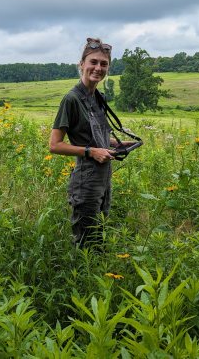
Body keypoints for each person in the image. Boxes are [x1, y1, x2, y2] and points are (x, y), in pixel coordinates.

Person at [49, 37, 134, 248]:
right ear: (82, 64)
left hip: (104, 177)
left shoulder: (98, 97)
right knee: (87, 241)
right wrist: (91, 152)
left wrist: (116, 143)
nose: (98, 68)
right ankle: (82, 279)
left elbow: (94, 134)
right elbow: (55, 145)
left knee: (99, 234)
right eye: (93, 62)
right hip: (86, 180)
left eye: (103, 64)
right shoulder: (72, 99)